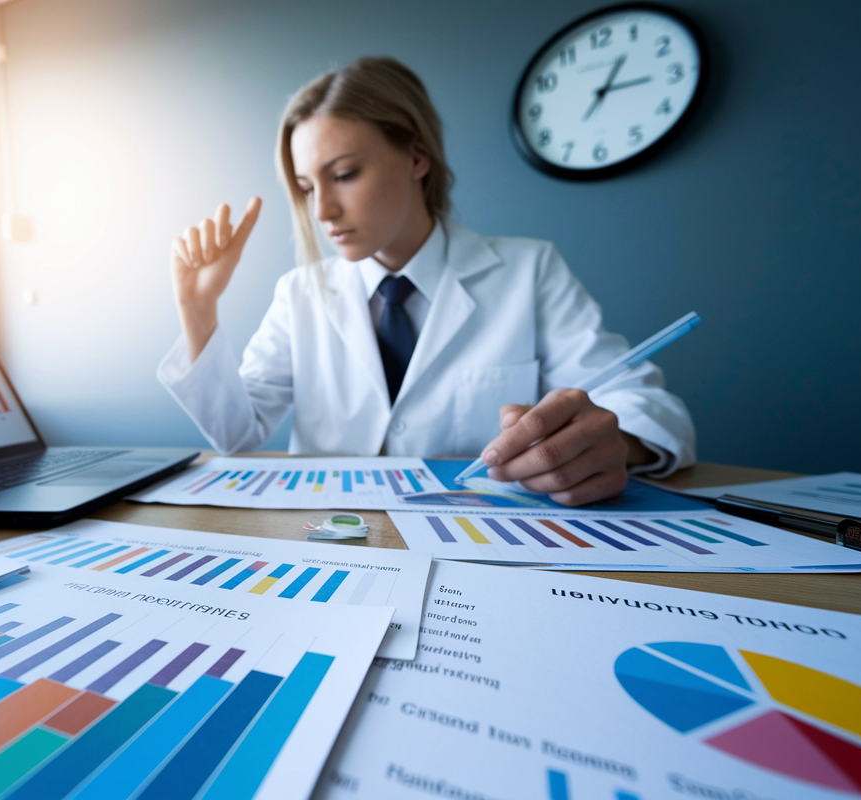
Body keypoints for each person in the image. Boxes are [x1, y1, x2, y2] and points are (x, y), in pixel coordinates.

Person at [158, 56, 695, 506]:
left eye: (344, 174)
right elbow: (236, 435)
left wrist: (615, 442)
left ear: (417, 156)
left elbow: (644, 403)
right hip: (331, 536)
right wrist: (198, 311)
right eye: (305, 186)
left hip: (476, 542)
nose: (322, 209)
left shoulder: (530, 271)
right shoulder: (300, 293)